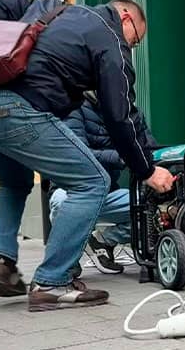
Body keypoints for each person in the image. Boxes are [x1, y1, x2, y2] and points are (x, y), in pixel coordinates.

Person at [0, 0, 175, 312]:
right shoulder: (110, 37)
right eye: (136, 40)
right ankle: (52, 282)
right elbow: (120, 115)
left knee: (15, 183)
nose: (132, 47)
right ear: (126, 17)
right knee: (93, 183)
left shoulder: (56, 10)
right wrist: (146, 171)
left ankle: (1, 261)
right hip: (13, 108)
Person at [54, 91, 157, 274]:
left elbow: (150, 148)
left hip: (108, 192)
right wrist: (122, 157)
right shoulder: (74, 108)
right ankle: (68, 258)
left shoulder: (130, 112)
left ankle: (103, 240)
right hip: (73, 190)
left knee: (151, 208)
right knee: (62, 203)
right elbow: (79, 152)